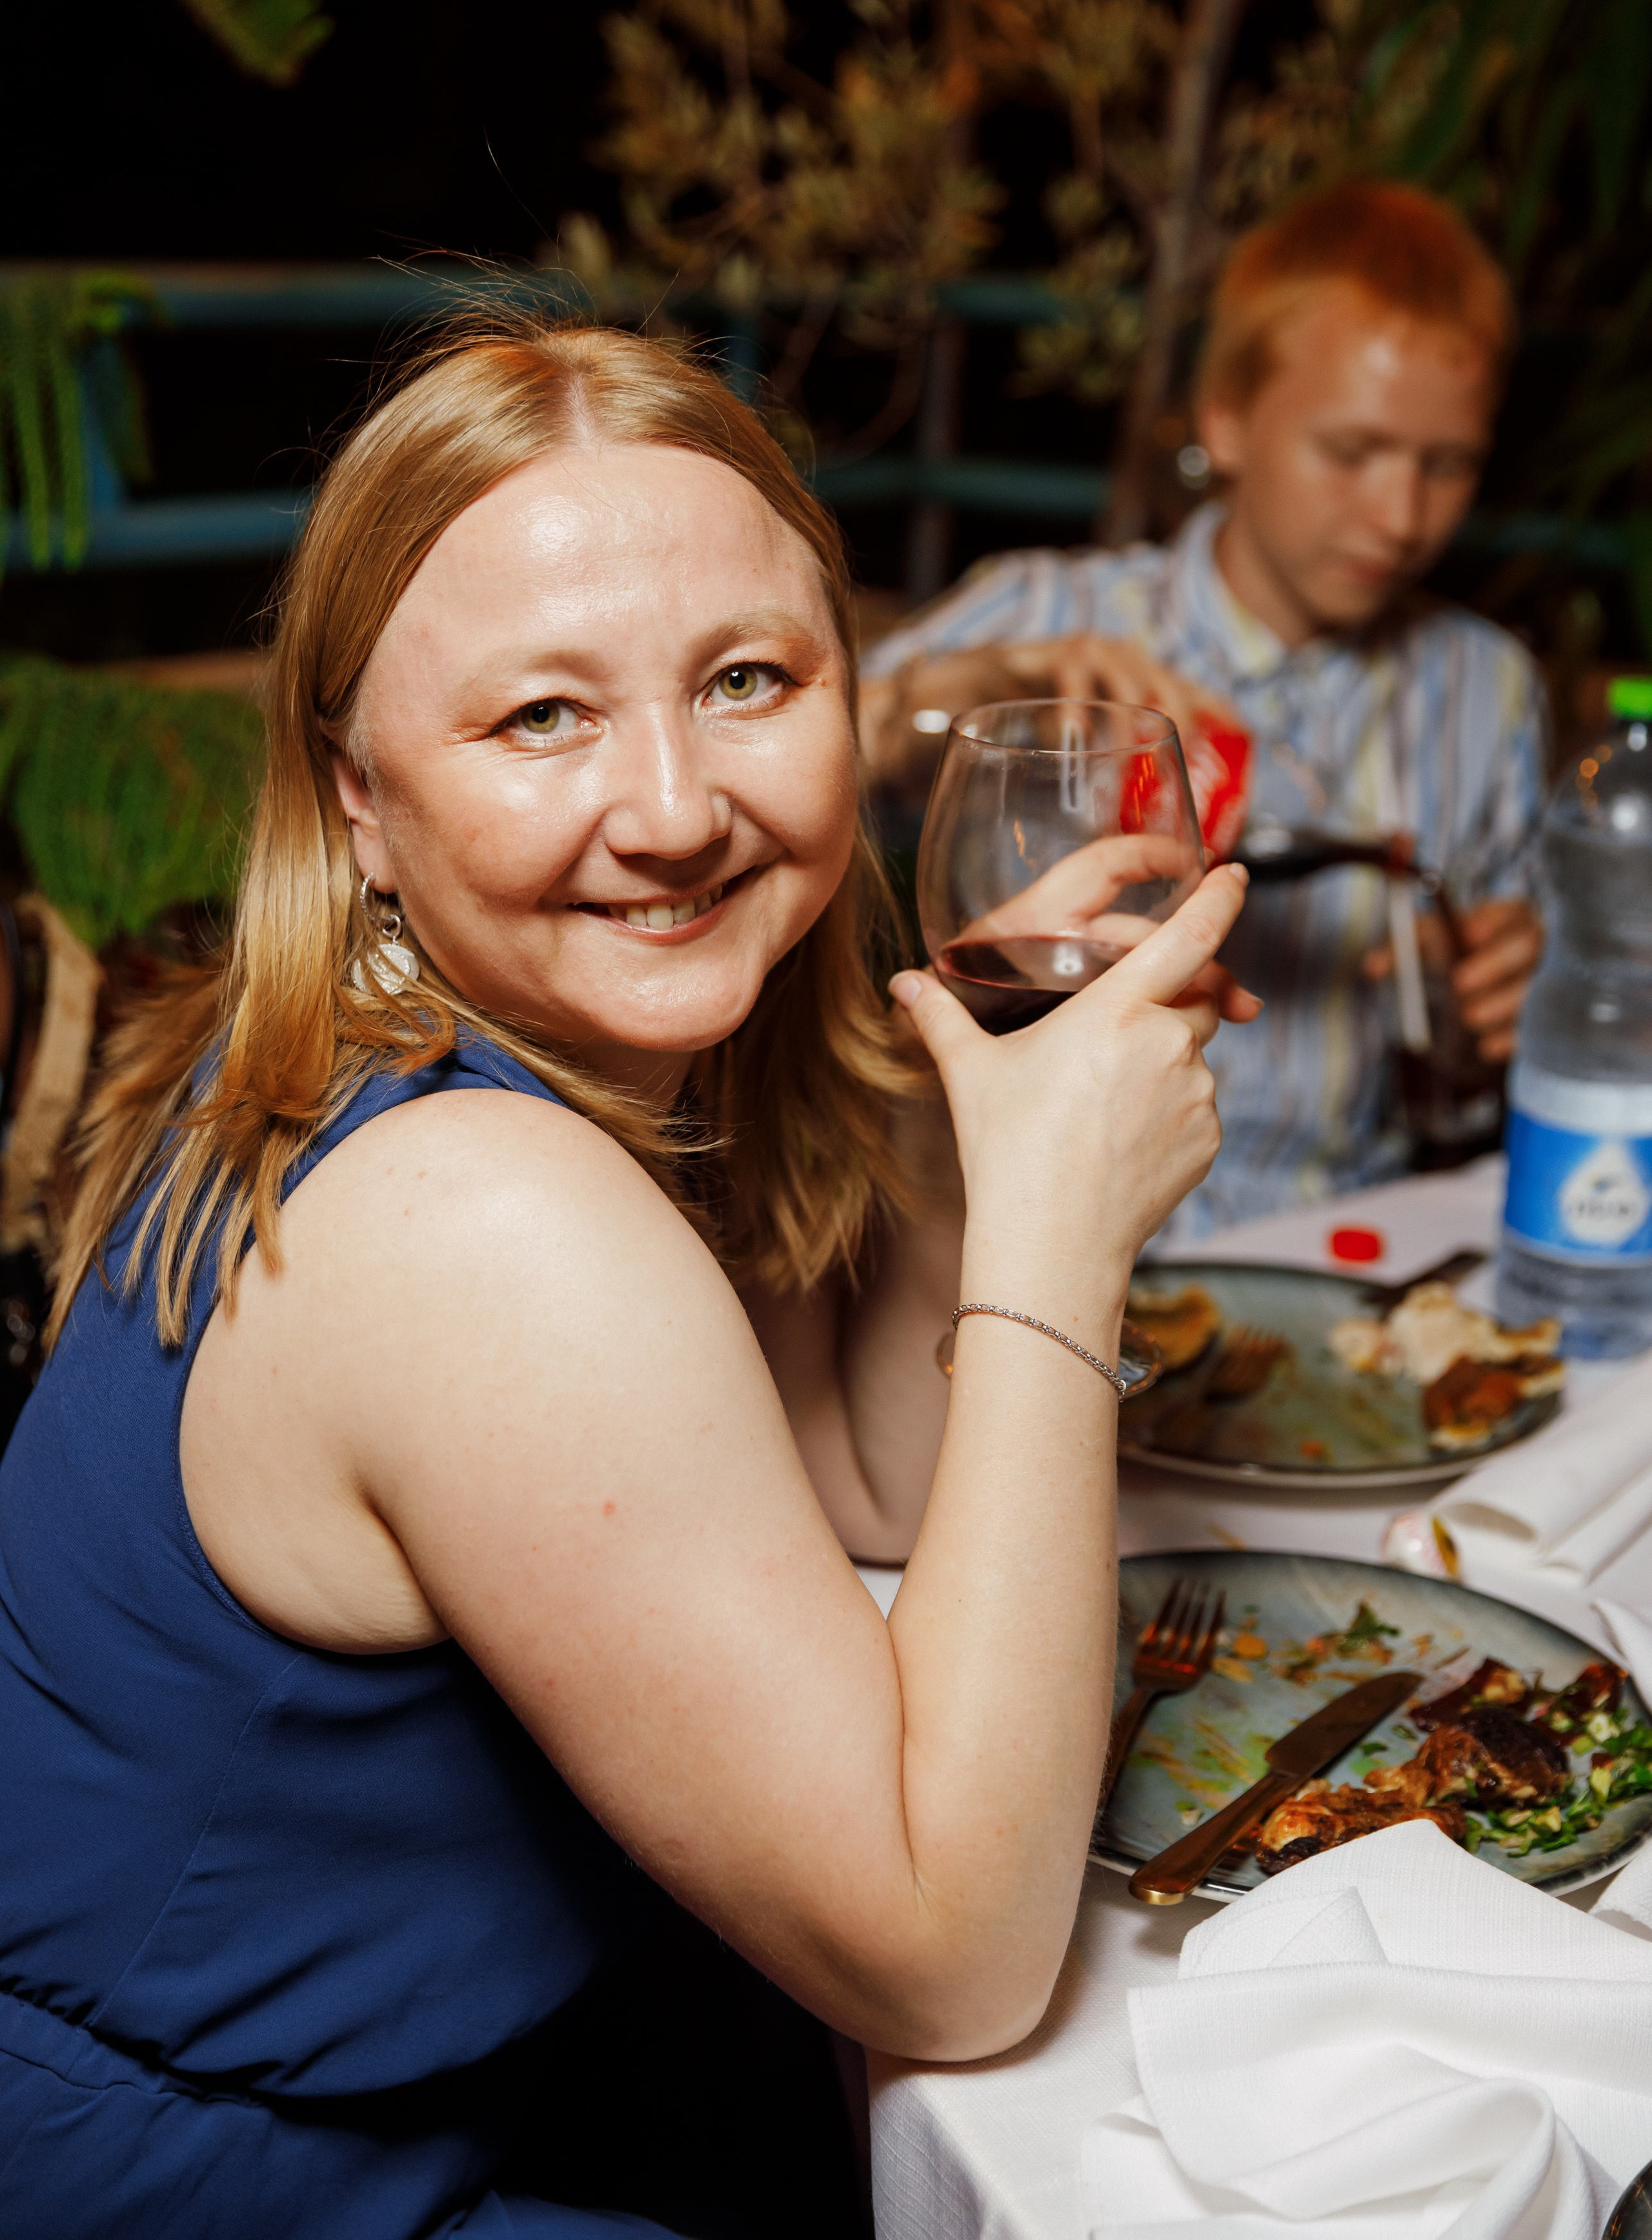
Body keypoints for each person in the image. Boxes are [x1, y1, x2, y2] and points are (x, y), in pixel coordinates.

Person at [0, 321, 1256, 2239]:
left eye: (747, 680)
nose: (674, 810)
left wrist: (969, 1115)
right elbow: (953, 1958)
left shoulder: (430, 1057)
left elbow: (868, 1484)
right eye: (542, 719)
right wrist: (1058, 1240)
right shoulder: (480, 1218)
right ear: (356, 799)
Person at [860, 181, 1548, 1231]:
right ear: (1226, 420)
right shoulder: (1049, 610)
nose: (1401, 515)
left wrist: (1509, 981)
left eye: (1447, 466)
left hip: (1340, 1238)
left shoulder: (1484, 687)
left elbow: (1504, 1001)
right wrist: (954, 699)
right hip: (1029, 1227)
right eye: (1352, 452)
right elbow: (830, 757)